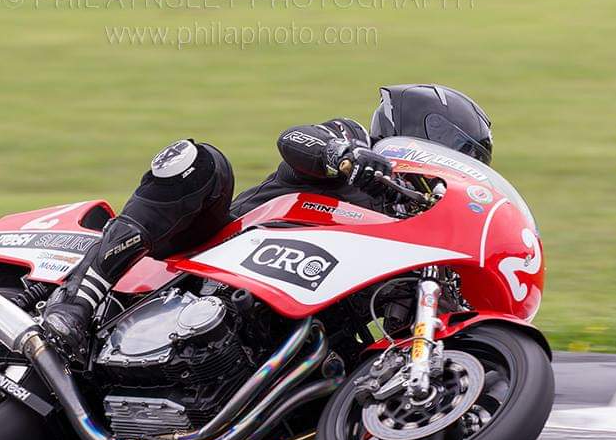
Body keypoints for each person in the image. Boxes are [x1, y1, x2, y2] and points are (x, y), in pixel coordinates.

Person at [42, 84, 493, 356]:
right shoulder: (352, 144)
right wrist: (345, 156)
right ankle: (78, 299)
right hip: (211, 254)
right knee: (199, 161)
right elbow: (295, 139)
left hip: (280, 323)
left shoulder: (414, 230)